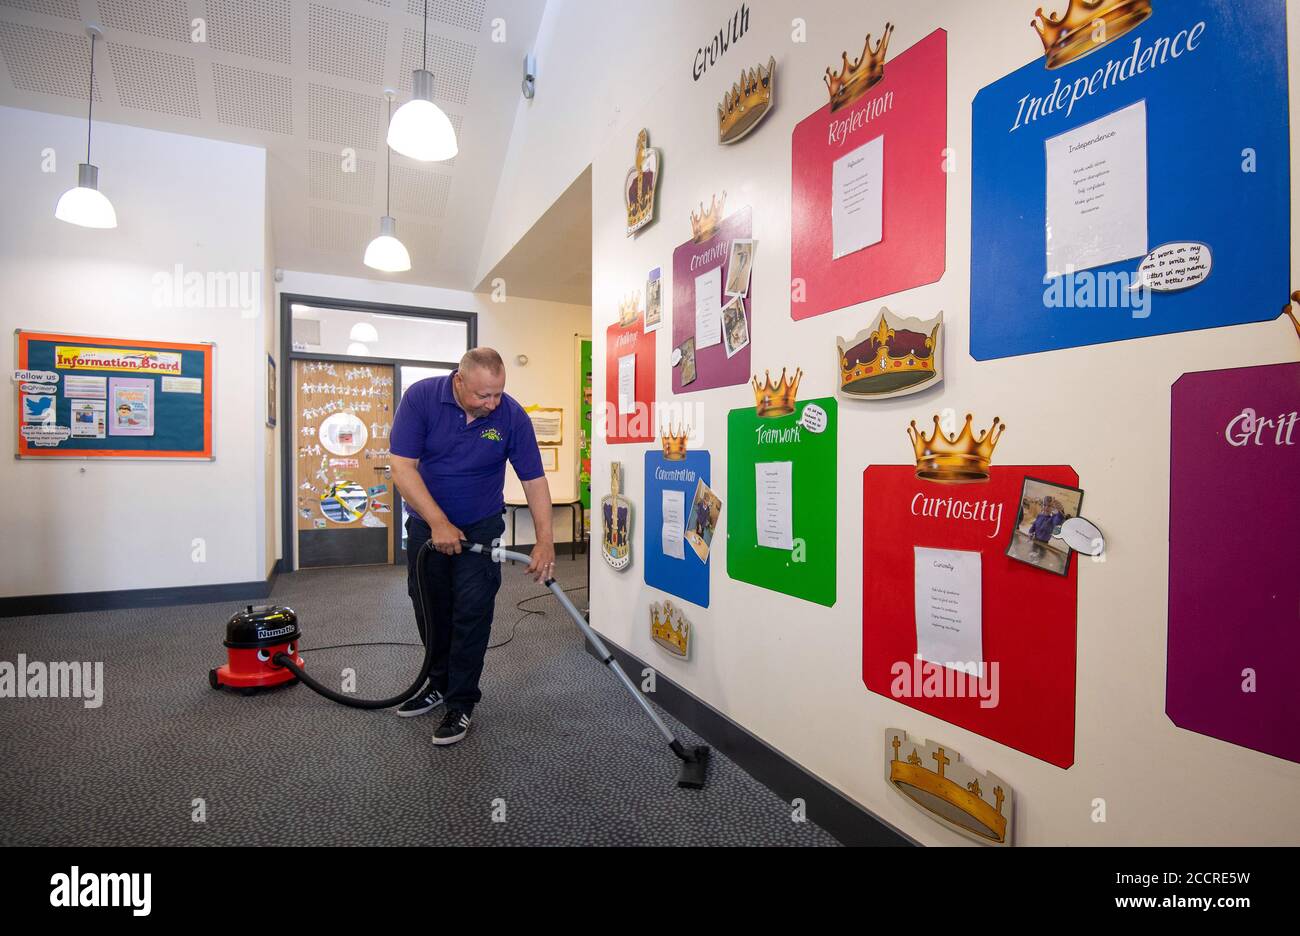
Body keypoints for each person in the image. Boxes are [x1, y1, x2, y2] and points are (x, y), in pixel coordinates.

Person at [388, 348, 555, 745]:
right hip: (428, 527)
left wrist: (545, 540)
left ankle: (461, 702)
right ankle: (437, 684)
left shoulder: (510, 415)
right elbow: (401, 466)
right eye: (483, 395)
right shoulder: (422, 398)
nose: (491, 403)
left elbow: (534, 480)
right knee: (429, 604)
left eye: (497, 394)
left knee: (472, 610)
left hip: (481, 527)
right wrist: (438, 523)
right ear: (459, 381)